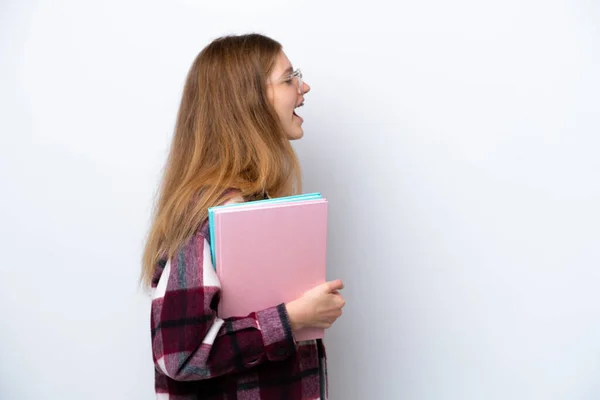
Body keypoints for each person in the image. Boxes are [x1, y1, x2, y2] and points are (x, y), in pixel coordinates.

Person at [141, 33, 346, 400]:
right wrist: (293, 318)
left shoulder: (250, 203)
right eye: (288, 78)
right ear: (247, 101)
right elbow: (178, 355)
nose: (304, 86)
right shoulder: (204, 216)